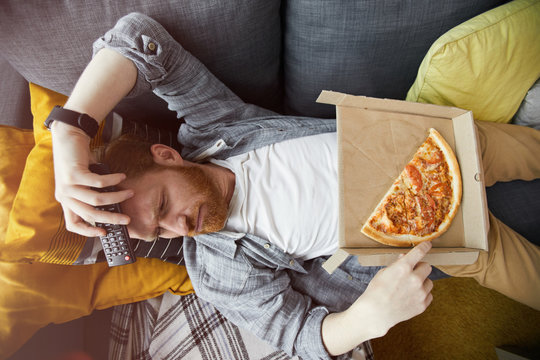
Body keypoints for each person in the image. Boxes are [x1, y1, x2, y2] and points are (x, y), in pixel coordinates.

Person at [49, 13, 540, 359]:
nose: (178, 226)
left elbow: (139, 37)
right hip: (439, 238)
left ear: (167, 155)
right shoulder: (219, 273)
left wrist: (70, 132)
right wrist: (369, 319)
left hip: (438, 147)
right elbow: (299, 336)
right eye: (160, 233)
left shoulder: (219, 126)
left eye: (162, 203)